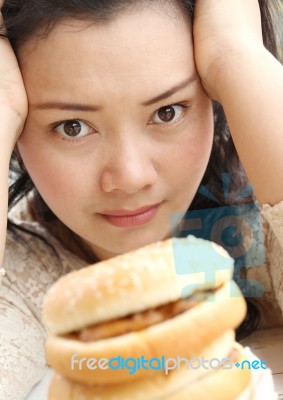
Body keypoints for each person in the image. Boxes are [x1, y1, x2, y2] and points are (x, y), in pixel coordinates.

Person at [0, 0, 283, 398]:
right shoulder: (22, 278)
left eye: (168, 112)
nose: (131, 178)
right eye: (72, 126)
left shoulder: (258, 224)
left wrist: (237, 52)